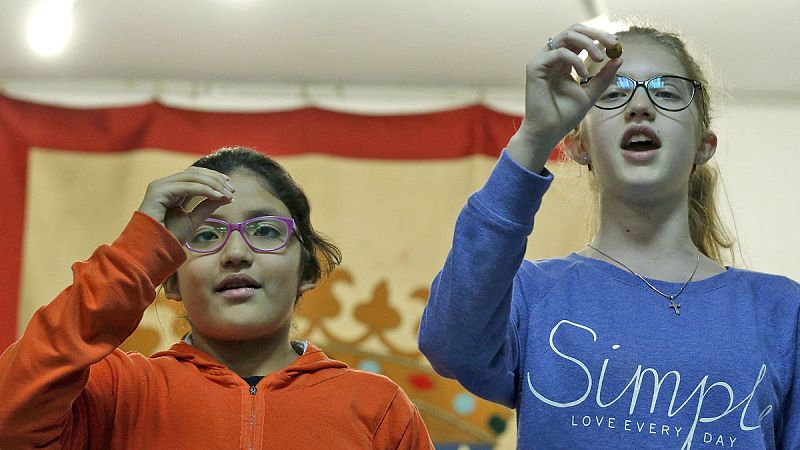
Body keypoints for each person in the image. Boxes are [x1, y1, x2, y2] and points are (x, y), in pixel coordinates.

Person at [418, 23, 799, 449]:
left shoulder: (783, 312)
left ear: (703, 146)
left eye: (667, 92)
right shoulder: (532, 295)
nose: (640, 105)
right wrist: (533, 137)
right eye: (613, 93)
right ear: (578, 147)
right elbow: (449, 343)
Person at [0, 147, 433, 449]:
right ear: (167, 278)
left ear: (307, 271)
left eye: (265, 230)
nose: (237, 253)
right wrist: (138, 252)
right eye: (206, 235)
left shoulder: (377, 408)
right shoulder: (113, 392)